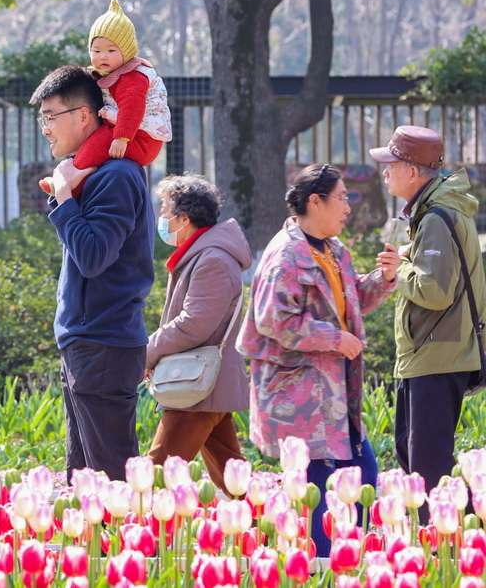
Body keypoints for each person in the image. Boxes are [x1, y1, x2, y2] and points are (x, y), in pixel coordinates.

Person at [237, 163, 399, 555]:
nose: (347, 207)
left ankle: (350, 565)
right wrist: (335, 338)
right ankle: (322, 569)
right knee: (321, 498)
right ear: (315, 201)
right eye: (341, 198)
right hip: (302, 399)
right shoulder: (287, 254)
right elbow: (273, 319)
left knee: (363, 478)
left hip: (334, 397)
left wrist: (385, 278)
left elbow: (351, 302)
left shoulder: (331, 249)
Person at [30, 65, 154, 482]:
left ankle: (125, 548)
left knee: (109, 481)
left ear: (85, 115)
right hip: (90, 341)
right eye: (41, 118)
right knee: (84, 479)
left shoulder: (115, 175)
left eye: (51, 116)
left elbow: (94, 257)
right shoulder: (94, 174)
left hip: (103, 341)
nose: (45, 128)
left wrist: (63, 198)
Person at [369, 125, 486, 517]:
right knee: (410, 453)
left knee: (428, 471)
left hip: (438, 356)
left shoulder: (436, 216)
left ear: (414, 171)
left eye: (391, 164)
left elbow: (435, 291)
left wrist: (398, 270)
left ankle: (455, 544)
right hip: (430, 355)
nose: (384, 171)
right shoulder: (433, 211)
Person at [144, 174, 251, 496]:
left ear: (184, 218)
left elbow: (194, 324)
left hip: (197, 388)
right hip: (203, 384)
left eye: (165, 211)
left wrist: (147, 352)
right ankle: (263, 534)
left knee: (154, 477)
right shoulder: (205, 255)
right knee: (232, 476)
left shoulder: (212, 260)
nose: (161, 219)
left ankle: (133, 541)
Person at [39, 0, 171, 196]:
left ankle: (67, 184)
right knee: (97, 142)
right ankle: (71, 181)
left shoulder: (132, 76)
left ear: (126, 52)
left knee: (100, 141)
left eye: (111, 50)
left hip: (141, 139)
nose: (103, 57)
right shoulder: (112, 75)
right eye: (96, 51)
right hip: (130, 135)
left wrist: (121, 138)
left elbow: (132, 109)